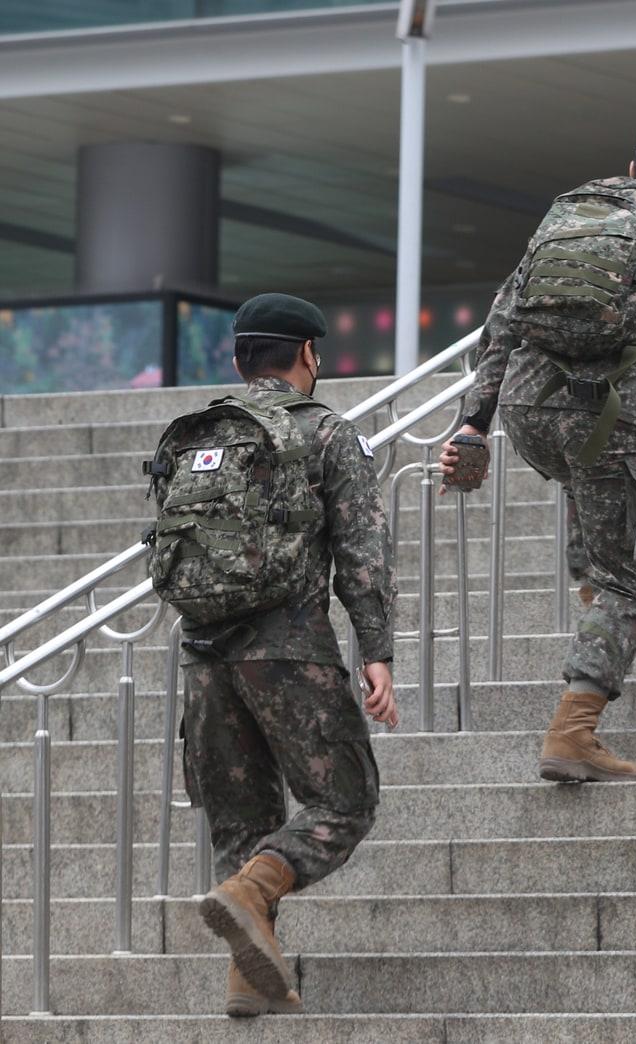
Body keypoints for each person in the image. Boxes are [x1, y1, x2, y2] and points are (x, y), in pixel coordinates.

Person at [440, 115, 636, 782]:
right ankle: (573, 730)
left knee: (601, 516)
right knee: (630, 577)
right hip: (608, 416)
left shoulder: (568, 212)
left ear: (635, 164)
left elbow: (500, 321)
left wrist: (474, 422)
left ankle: (598, 616)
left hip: (528, 409)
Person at [170, 293, 398, 1017]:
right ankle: (251, 890)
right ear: (308, 355)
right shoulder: (327, 433)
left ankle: (250, 982)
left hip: (205, 654)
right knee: (345, 800)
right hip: (289, 648)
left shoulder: (196, 438)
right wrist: (376, 651)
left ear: (239, 360)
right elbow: (363, 554)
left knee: (242, 821)